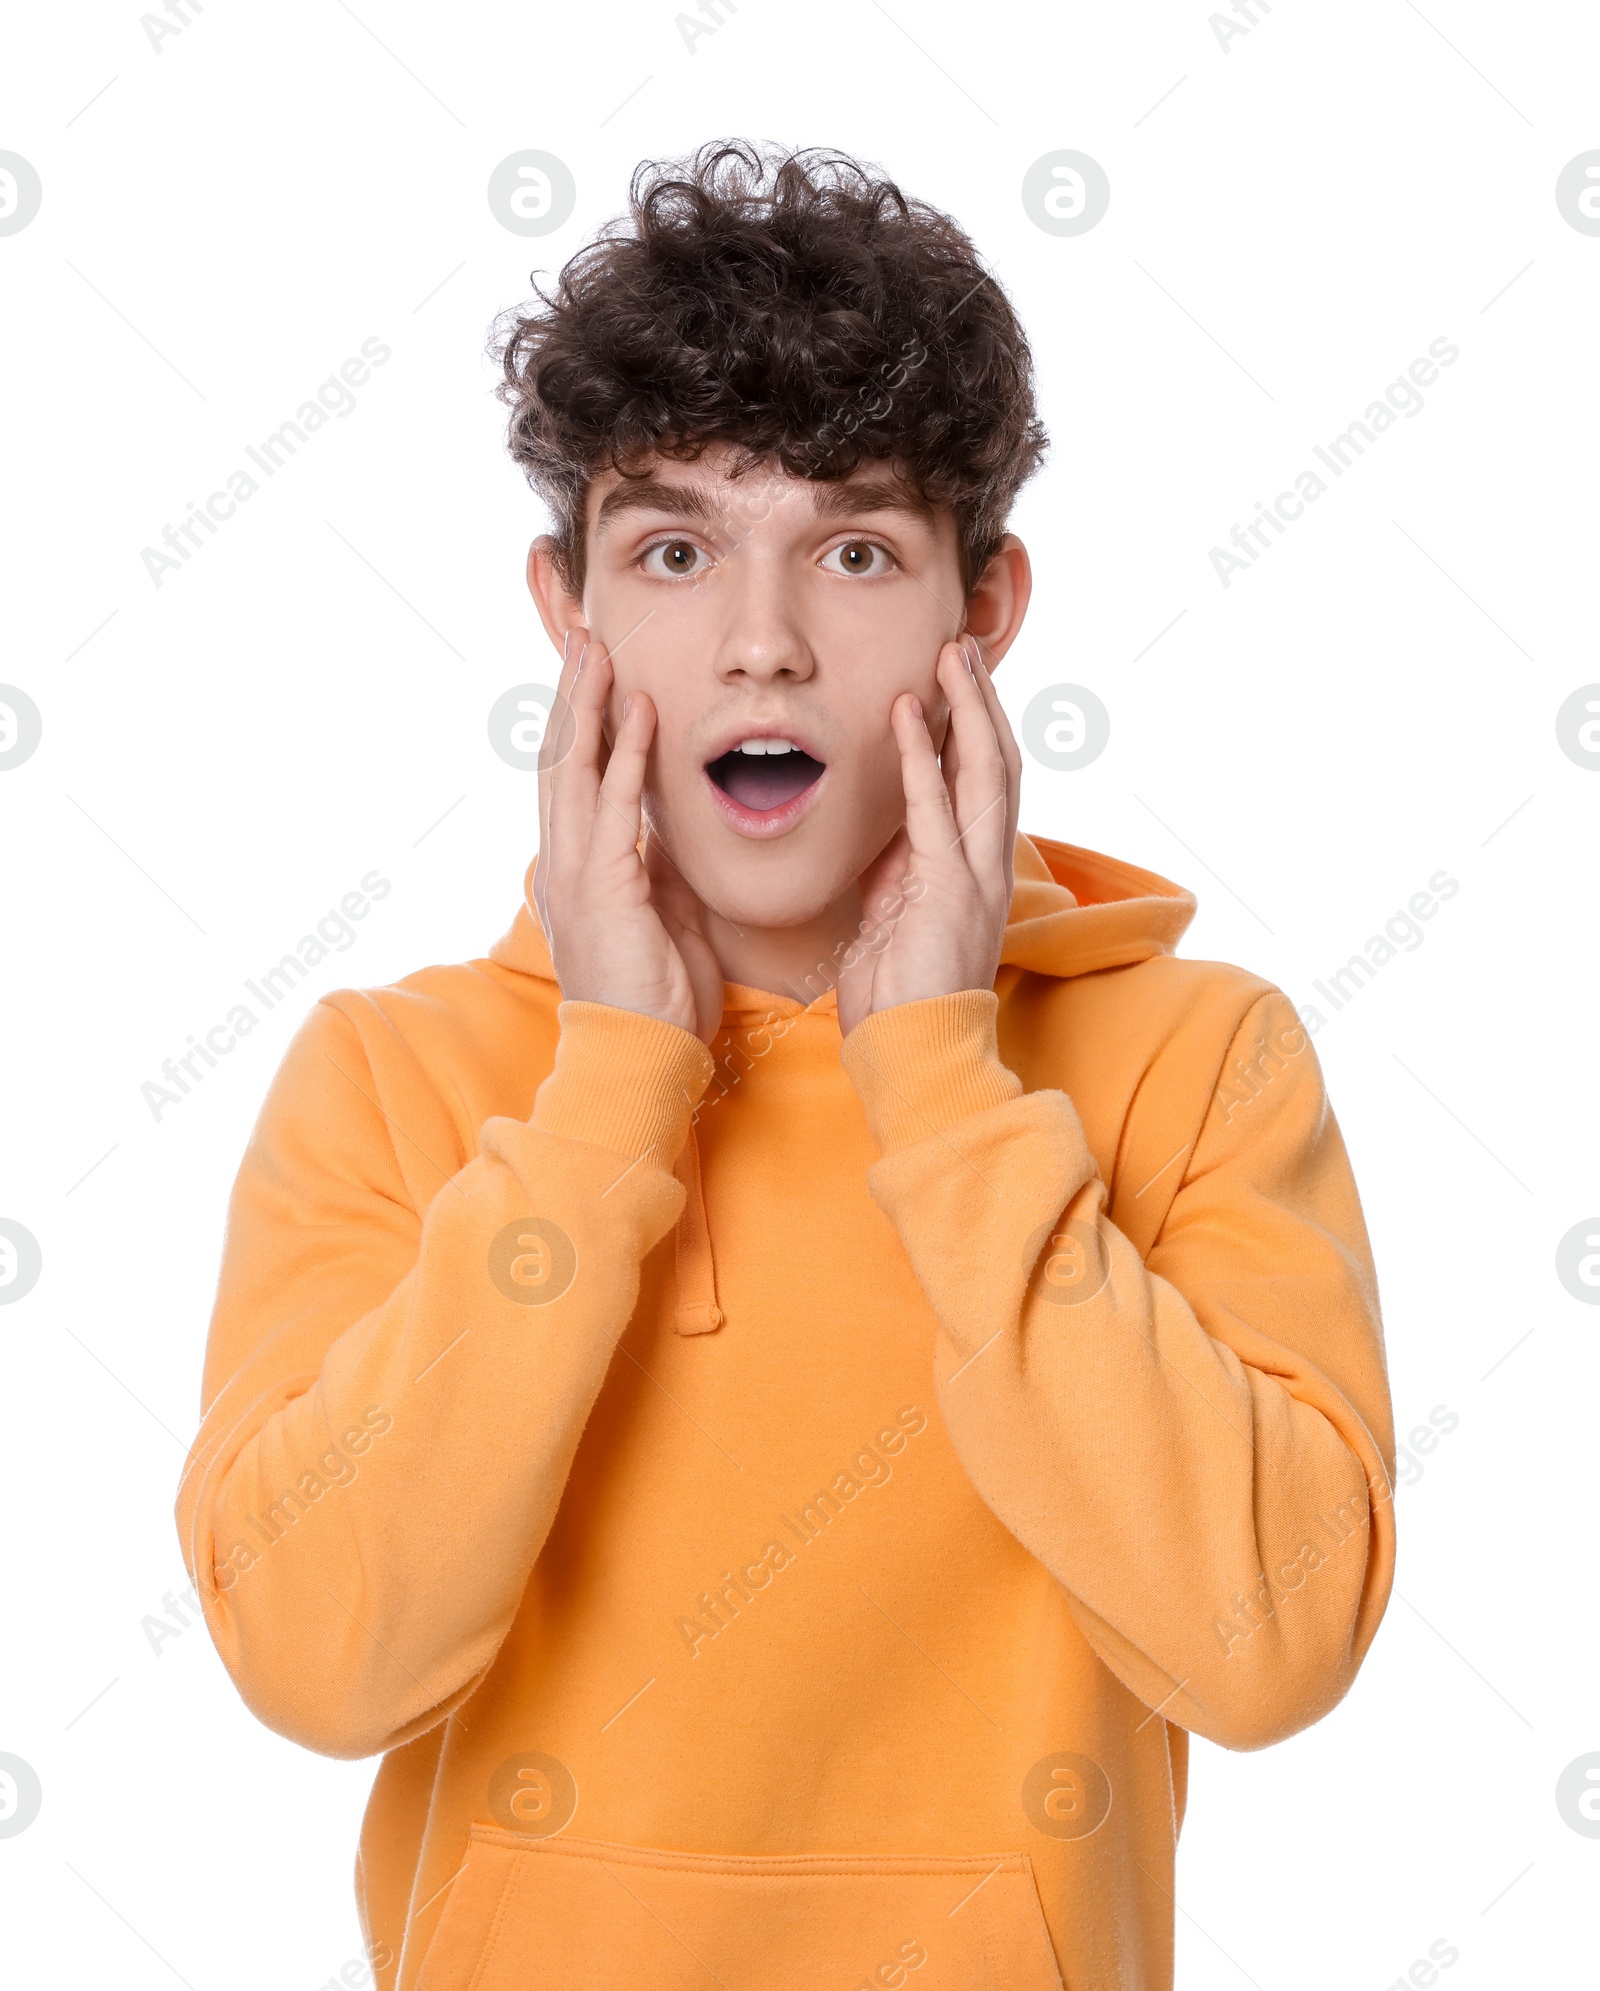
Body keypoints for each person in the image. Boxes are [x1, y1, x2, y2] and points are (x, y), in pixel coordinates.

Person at [177, 141, 1395, 1991]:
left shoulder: (1195, 1060)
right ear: (566, 612)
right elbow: (318, 1665)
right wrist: (605, 1095)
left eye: (852, 549)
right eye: (674, 551)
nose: (760, 643)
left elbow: (1266, 1650)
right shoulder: (397, 1080)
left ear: (982, 613)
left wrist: (939, 1080)